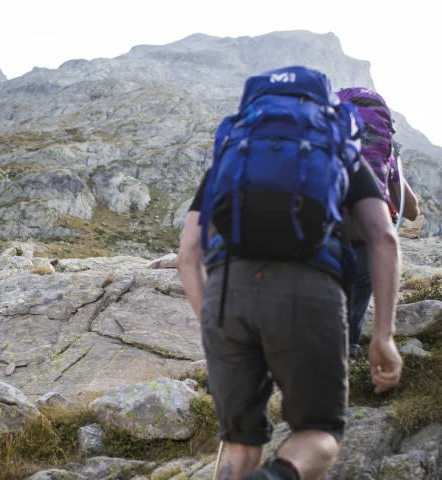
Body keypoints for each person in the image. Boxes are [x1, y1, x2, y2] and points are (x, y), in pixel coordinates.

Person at [176, 68, 403, 480]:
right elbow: (383, 238)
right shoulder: (337, 147)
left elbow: (188, 256)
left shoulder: (234, 152)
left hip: (229, 295)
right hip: (309, 289)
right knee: (319, 432)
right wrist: (383, 336)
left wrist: (213, 322)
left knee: (242, 443)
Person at [336, 88, 420, 360]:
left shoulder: (324, 141)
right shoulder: (386, 155)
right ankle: (348, 349)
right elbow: (412, 210)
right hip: (362, 237)